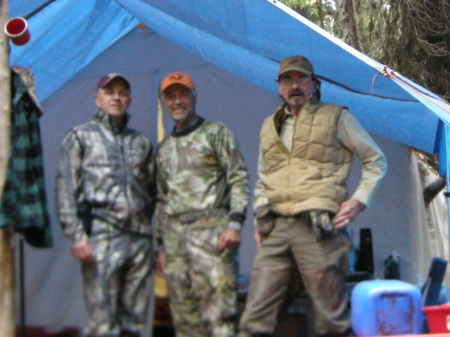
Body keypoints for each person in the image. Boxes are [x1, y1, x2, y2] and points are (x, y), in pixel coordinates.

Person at [238, 55, 388, 337]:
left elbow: (375, 160)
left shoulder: (336, 116)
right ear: (278, 86)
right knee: (254, 318)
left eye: (300, 78)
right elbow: (262, 176)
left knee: (330, 320)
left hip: (318, 226)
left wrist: (359, 200)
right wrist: (259, 216)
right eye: (286, 80)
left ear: (314, 84)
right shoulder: (269, 125)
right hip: (276, 225)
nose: (293, 85)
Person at [56, 73, 156, 337]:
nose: (116, 97)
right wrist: (76, 236)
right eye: (110, 92)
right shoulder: (80, 137)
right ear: (97, 99)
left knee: (135, 321)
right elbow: (65, 188)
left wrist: (149, 232)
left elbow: (153, 191)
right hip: (102, 236)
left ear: (130, 100)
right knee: (103, 321)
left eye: (122, 93)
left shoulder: (141, 142)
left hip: (139, 239)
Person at [155, 72, 250, 337]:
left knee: (219, 317)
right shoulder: (163, 149)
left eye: (182, 94)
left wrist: (234, 224)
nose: (177, 101)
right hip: (175, 242)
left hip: (213, 234)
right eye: (171, 96)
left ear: (193, 97)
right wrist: (161, 246)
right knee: (185, 321)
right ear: (165, 101)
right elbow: (162, 199)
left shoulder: (216, 133)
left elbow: (239, 178)